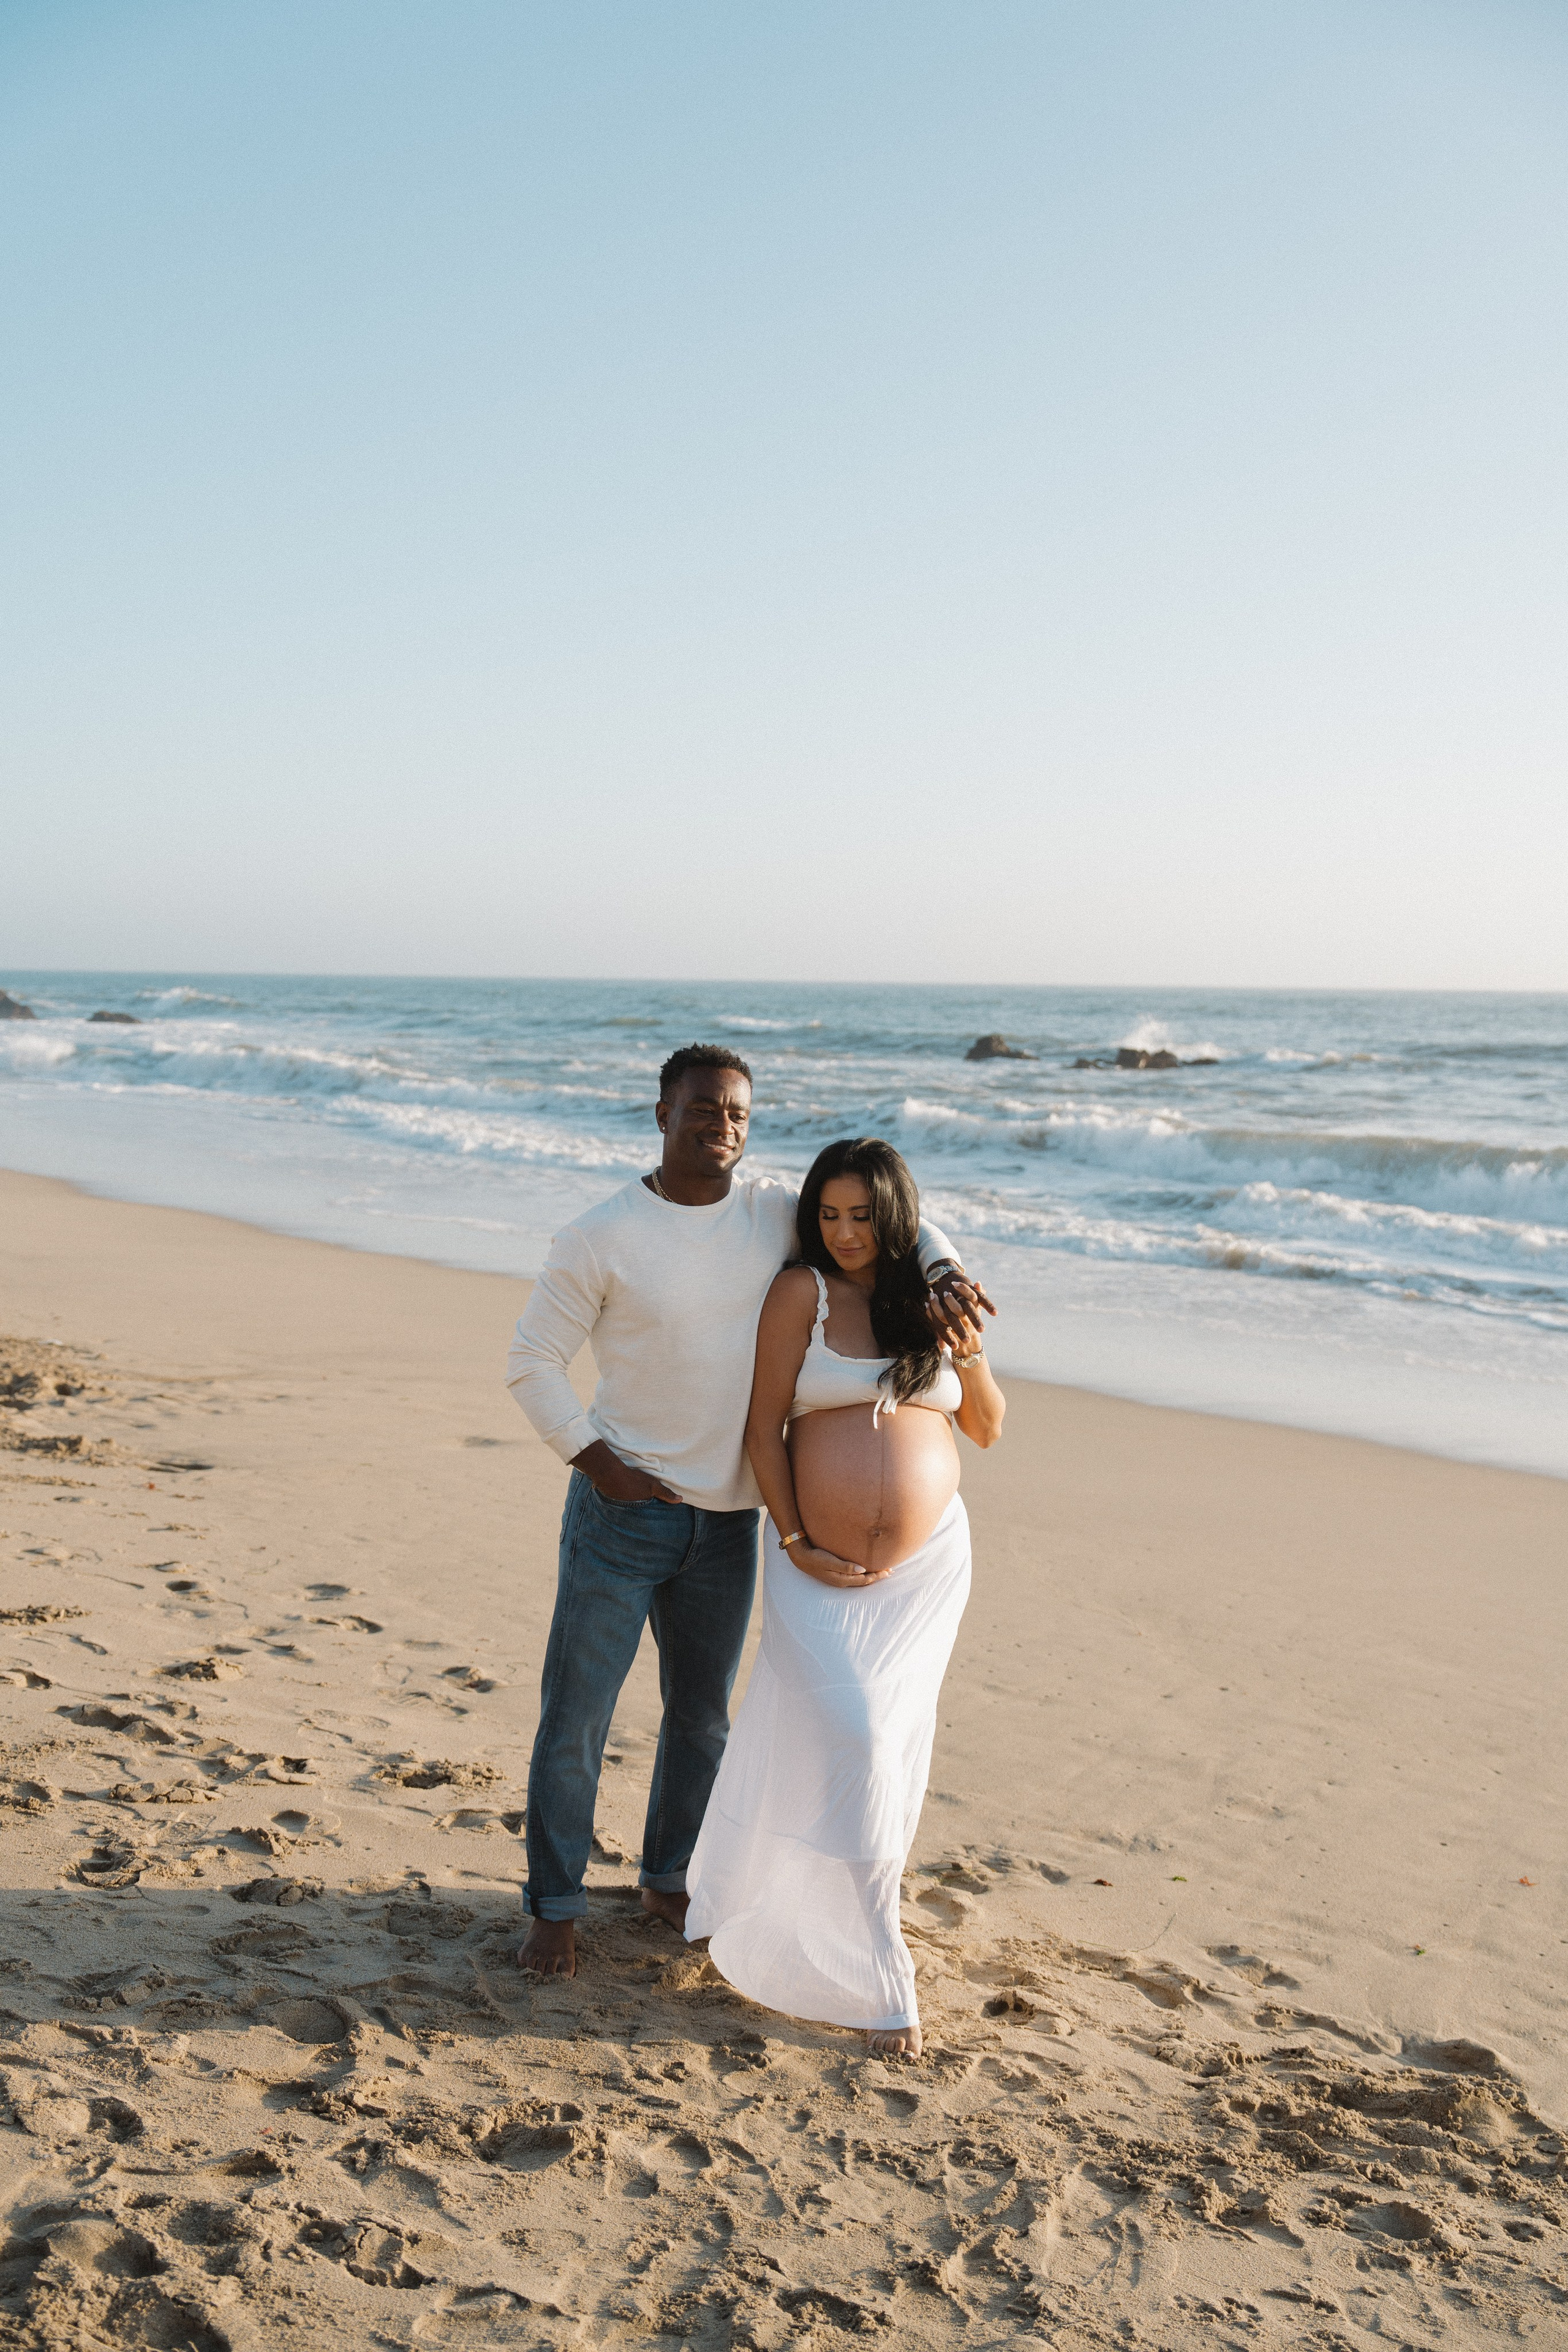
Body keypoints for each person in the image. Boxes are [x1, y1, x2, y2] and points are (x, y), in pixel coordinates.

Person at [504, 1047, 993, 1978]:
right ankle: (554, 1909)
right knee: (577, 1719)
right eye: (701, 1110)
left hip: (731, 1523)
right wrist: (601, 1465)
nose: (720, 1126)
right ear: (661, 1113)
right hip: (625, 1514)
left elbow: (895, 1221)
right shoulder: (599, 1235)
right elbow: (531, 1365)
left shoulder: (773, 1213)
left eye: (735, 1113)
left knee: (700, 1721)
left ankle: (669, 1879)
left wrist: (944, 1272)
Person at [684, 1136, 1006, 2057]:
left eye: (863, 1215)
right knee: (851, 1731)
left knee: (888, 1739)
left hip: (926, 1572)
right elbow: (762, 1427)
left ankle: (861, 1922)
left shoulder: (932, 1302)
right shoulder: (802, 1293)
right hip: (809, 1563)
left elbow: (986, 1429)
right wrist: (793, 1539)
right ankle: (878, 1969)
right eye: (829, 1215)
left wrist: (969, 1351)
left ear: (896, 1214)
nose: (845, 1232)